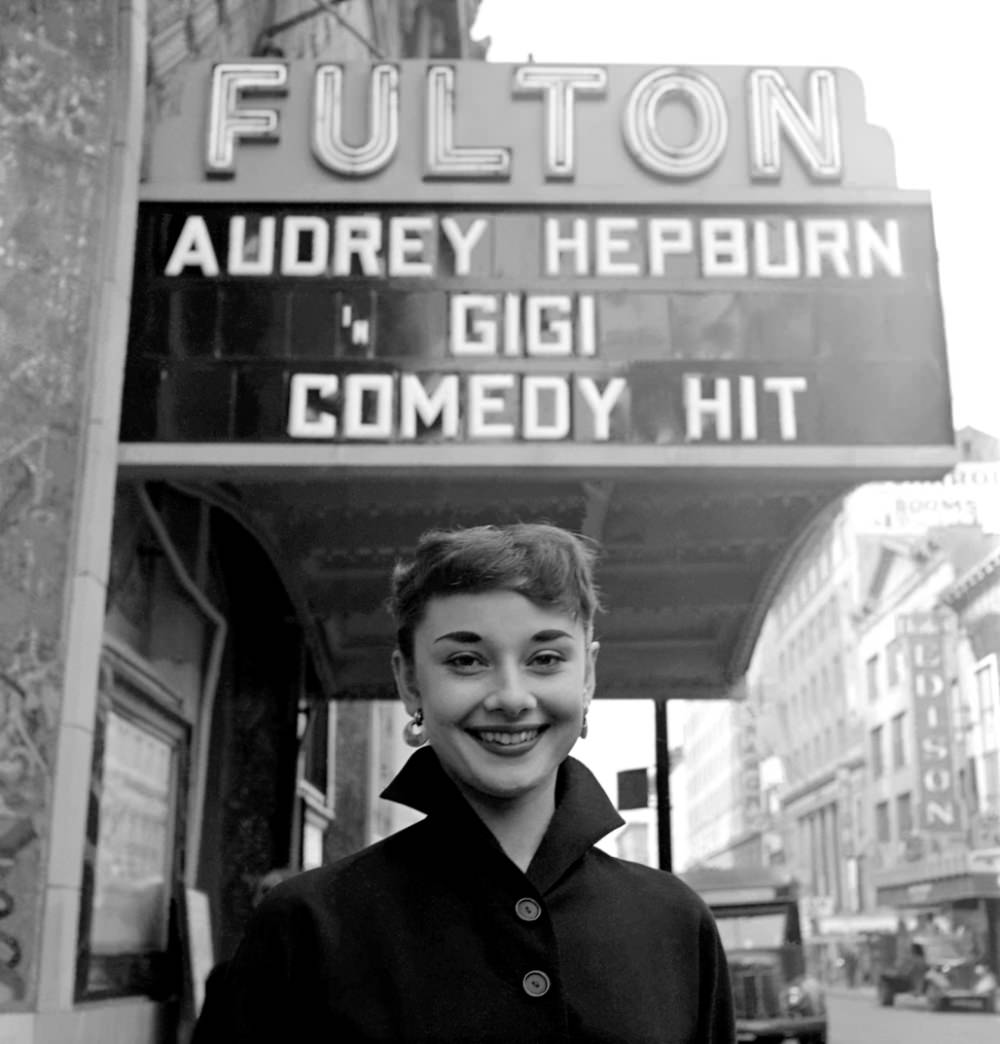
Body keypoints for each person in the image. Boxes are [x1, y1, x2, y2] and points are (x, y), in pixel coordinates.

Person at [195, 523, 736, 1043]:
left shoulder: (676, 924)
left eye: (546, 658)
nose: (511, 696)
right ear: (409, 682)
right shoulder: (306, 928)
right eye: (466, 660)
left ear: (588, 676)